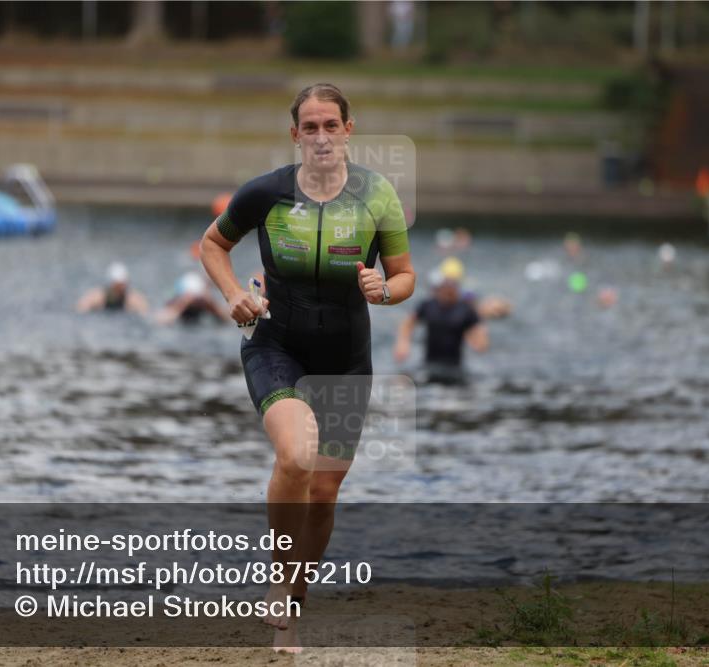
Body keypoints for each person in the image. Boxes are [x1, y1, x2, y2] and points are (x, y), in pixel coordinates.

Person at [199, 83, 415, 653]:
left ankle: (292, 604)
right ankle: (278, 576)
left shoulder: (378, 196)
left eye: (331, 125)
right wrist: (231, 295)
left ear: (349, 129)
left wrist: (385, 289)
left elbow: (405, 275)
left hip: (347, 358)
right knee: (294, 455)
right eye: (310, 127)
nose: (321, 137)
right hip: (275, 345)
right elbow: (212, 246)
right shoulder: (266, 193)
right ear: (296, 135)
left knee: (322, 494)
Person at [394, 270, 488, 384]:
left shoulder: (465, 309)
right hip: (429, 364)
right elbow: (408, 323)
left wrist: (479, 341)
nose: (448, 289)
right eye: (445, 285)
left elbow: (478, 331)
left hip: (454, 367)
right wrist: (403, 343)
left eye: (452, 285)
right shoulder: (428, 305)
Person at [153, 270, 230, 325]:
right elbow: (161, 320)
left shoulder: (206, 300)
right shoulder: (178, 303)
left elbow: (225, 319)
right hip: (181, 304)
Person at [75, 262, 149, 314]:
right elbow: (80, 309)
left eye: (123, 285)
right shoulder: (98, 297)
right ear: (111, 285)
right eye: (117, 286)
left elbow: (145, 311)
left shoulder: (131, 299)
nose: (121, 289)